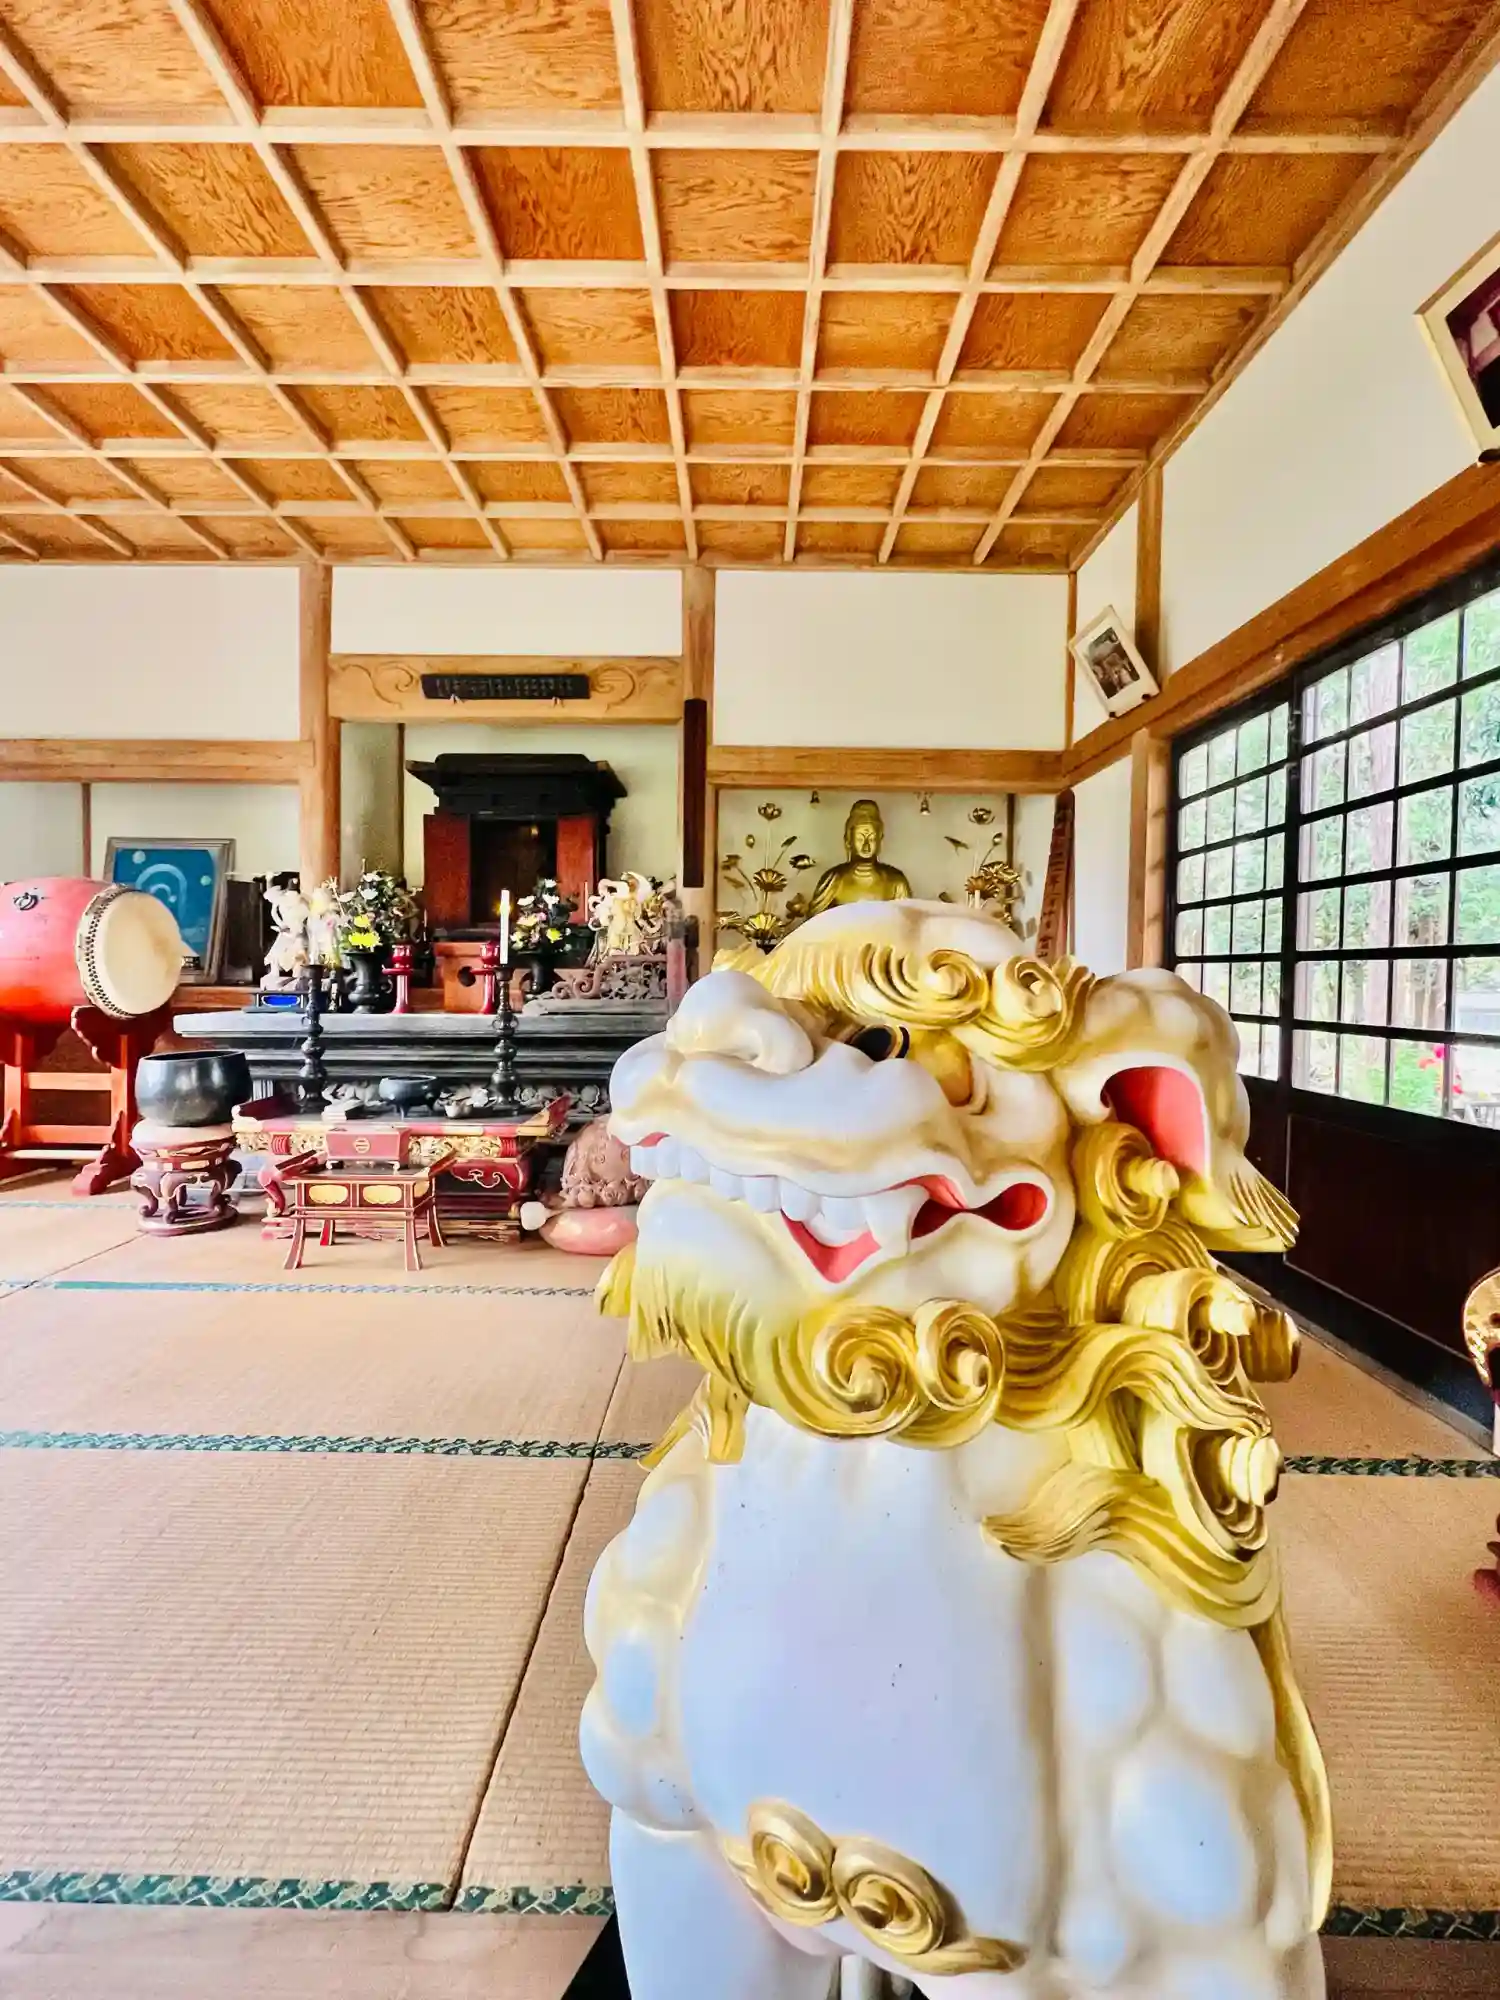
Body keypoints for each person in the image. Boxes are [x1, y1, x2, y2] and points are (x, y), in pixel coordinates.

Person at [808, 799, 912, 912]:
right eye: (860, 839)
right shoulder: (834, 880)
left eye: (871, 839)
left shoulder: (896, 882)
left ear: (880, 840)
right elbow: (814, 920)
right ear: (848, 840)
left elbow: (909, 919)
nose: (866, 846)